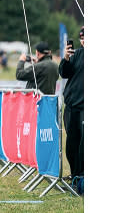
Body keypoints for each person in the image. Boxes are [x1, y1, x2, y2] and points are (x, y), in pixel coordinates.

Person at [59, 26, 84, 191]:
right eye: (81, 37)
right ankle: (75, 177)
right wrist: (66, 59)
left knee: (84, 146)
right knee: (72, 145)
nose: (83, 40)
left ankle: (82, 179)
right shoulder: (78, 54)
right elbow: (64, 73)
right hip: (71, 106)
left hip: (85, 108)